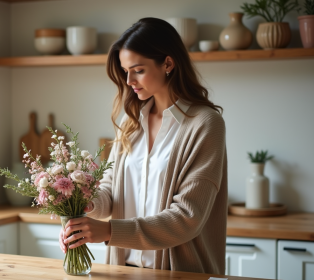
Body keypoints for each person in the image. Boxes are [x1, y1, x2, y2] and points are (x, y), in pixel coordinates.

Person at [59, 17, 227, 274]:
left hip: (178, 273)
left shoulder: (205, 124)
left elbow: (187, 217)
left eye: (138, 70)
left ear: (168, 63)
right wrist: (85, 207)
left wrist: (109, 231)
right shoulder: (132, 122)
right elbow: (111, 189)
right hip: (121, 270)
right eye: (126, 71)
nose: (129, 81)